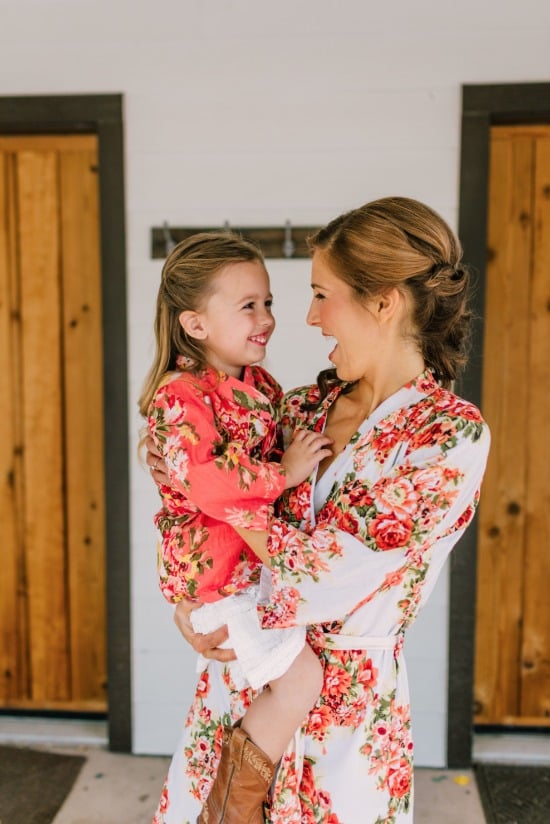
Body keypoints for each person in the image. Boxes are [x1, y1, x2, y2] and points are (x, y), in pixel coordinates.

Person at [146, 197, 491, 824]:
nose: (307, 317)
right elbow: (207, 507)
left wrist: (217, 498)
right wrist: (190, 597)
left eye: (321, 294)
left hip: (347, 717)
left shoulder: (446, 437)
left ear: (384, 302)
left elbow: (320, 579)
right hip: (244, 691)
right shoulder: (299, 407)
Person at [138, 232, 332, 824]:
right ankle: (231, 808)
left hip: (245, 575)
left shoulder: (262, 388)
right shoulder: (181, 396)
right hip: (217, 581)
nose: (268, 318)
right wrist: (287, 471)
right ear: (195, 324)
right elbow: (213, 486)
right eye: (248, 305)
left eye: (268, 302)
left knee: (256, 694)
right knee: (300, 681)